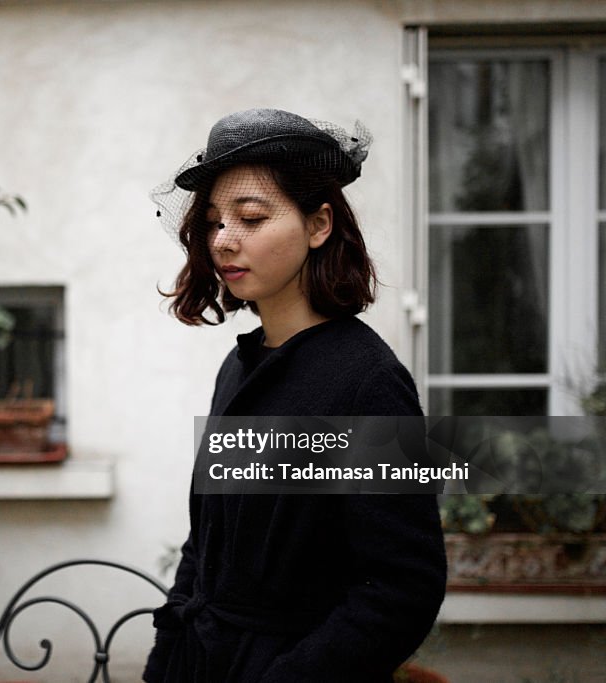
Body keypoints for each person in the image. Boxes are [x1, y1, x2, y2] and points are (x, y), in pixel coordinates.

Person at [143, 109, 447, 682]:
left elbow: (403, 587)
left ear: (318, 225)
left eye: (251, 218)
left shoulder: (369, 381)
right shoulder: (239, 366)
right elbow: (206, 543)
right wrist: (166, 662)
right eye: (213, 222)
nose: (224, 240)